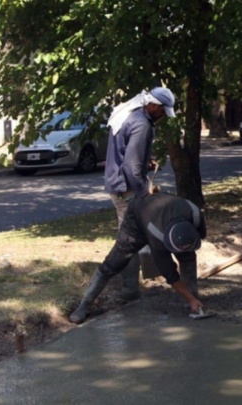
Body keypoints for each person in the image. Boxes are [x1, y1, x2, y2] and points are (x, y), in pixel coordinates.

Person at [69, 192, 206, 324]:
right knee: (113, 263)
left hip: (162, 215)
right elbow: (169, 272)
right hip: (137, 219)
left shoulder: (195, 216)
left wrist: (191, 298)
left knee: (188, 256)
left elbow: (198, 238)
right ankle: (84, 305)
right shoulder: (157, 234)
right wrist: (189, 298)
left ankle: (194, 300)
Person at [104, 86, 176, 300]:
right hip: (126, 189)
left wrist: (145, 162)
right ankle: (129, 291)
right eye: (162, 110)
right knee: (129, 240)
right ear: (152, 105)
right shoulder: (142, 124)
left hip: (119, 184)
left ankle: (142, 280)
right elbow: (130, 166)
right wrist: (144, 193)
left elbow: (126, 154)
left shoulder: (131, 115)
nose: (163, 115)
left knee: (134, 236)